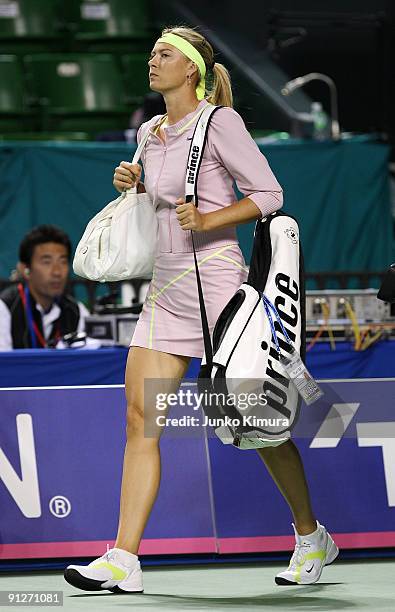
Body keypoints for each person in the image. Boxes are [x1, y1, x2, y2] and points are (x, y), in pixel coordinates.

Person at [64, 26, 339, 593]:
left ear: (190, 68)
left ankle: (311, 537)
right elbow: (153, 203)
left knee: (259, 426)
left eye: (163, 55)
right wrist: (132, 183)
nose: (152, 62)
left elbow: (270, 194)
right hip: (166, 293)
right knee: (141, 420)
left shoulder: (221, 123)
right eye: (151, 54)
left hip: (218, 288)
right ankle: (123, 559)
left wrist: (211, 220)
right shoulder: (150, 131)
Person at [0, 225, 89, 350]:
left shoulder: (77, 311)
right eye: (46, 262)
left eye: (62, 261)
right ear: (26, 270)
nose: (57, 272)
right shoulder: (5, 308)